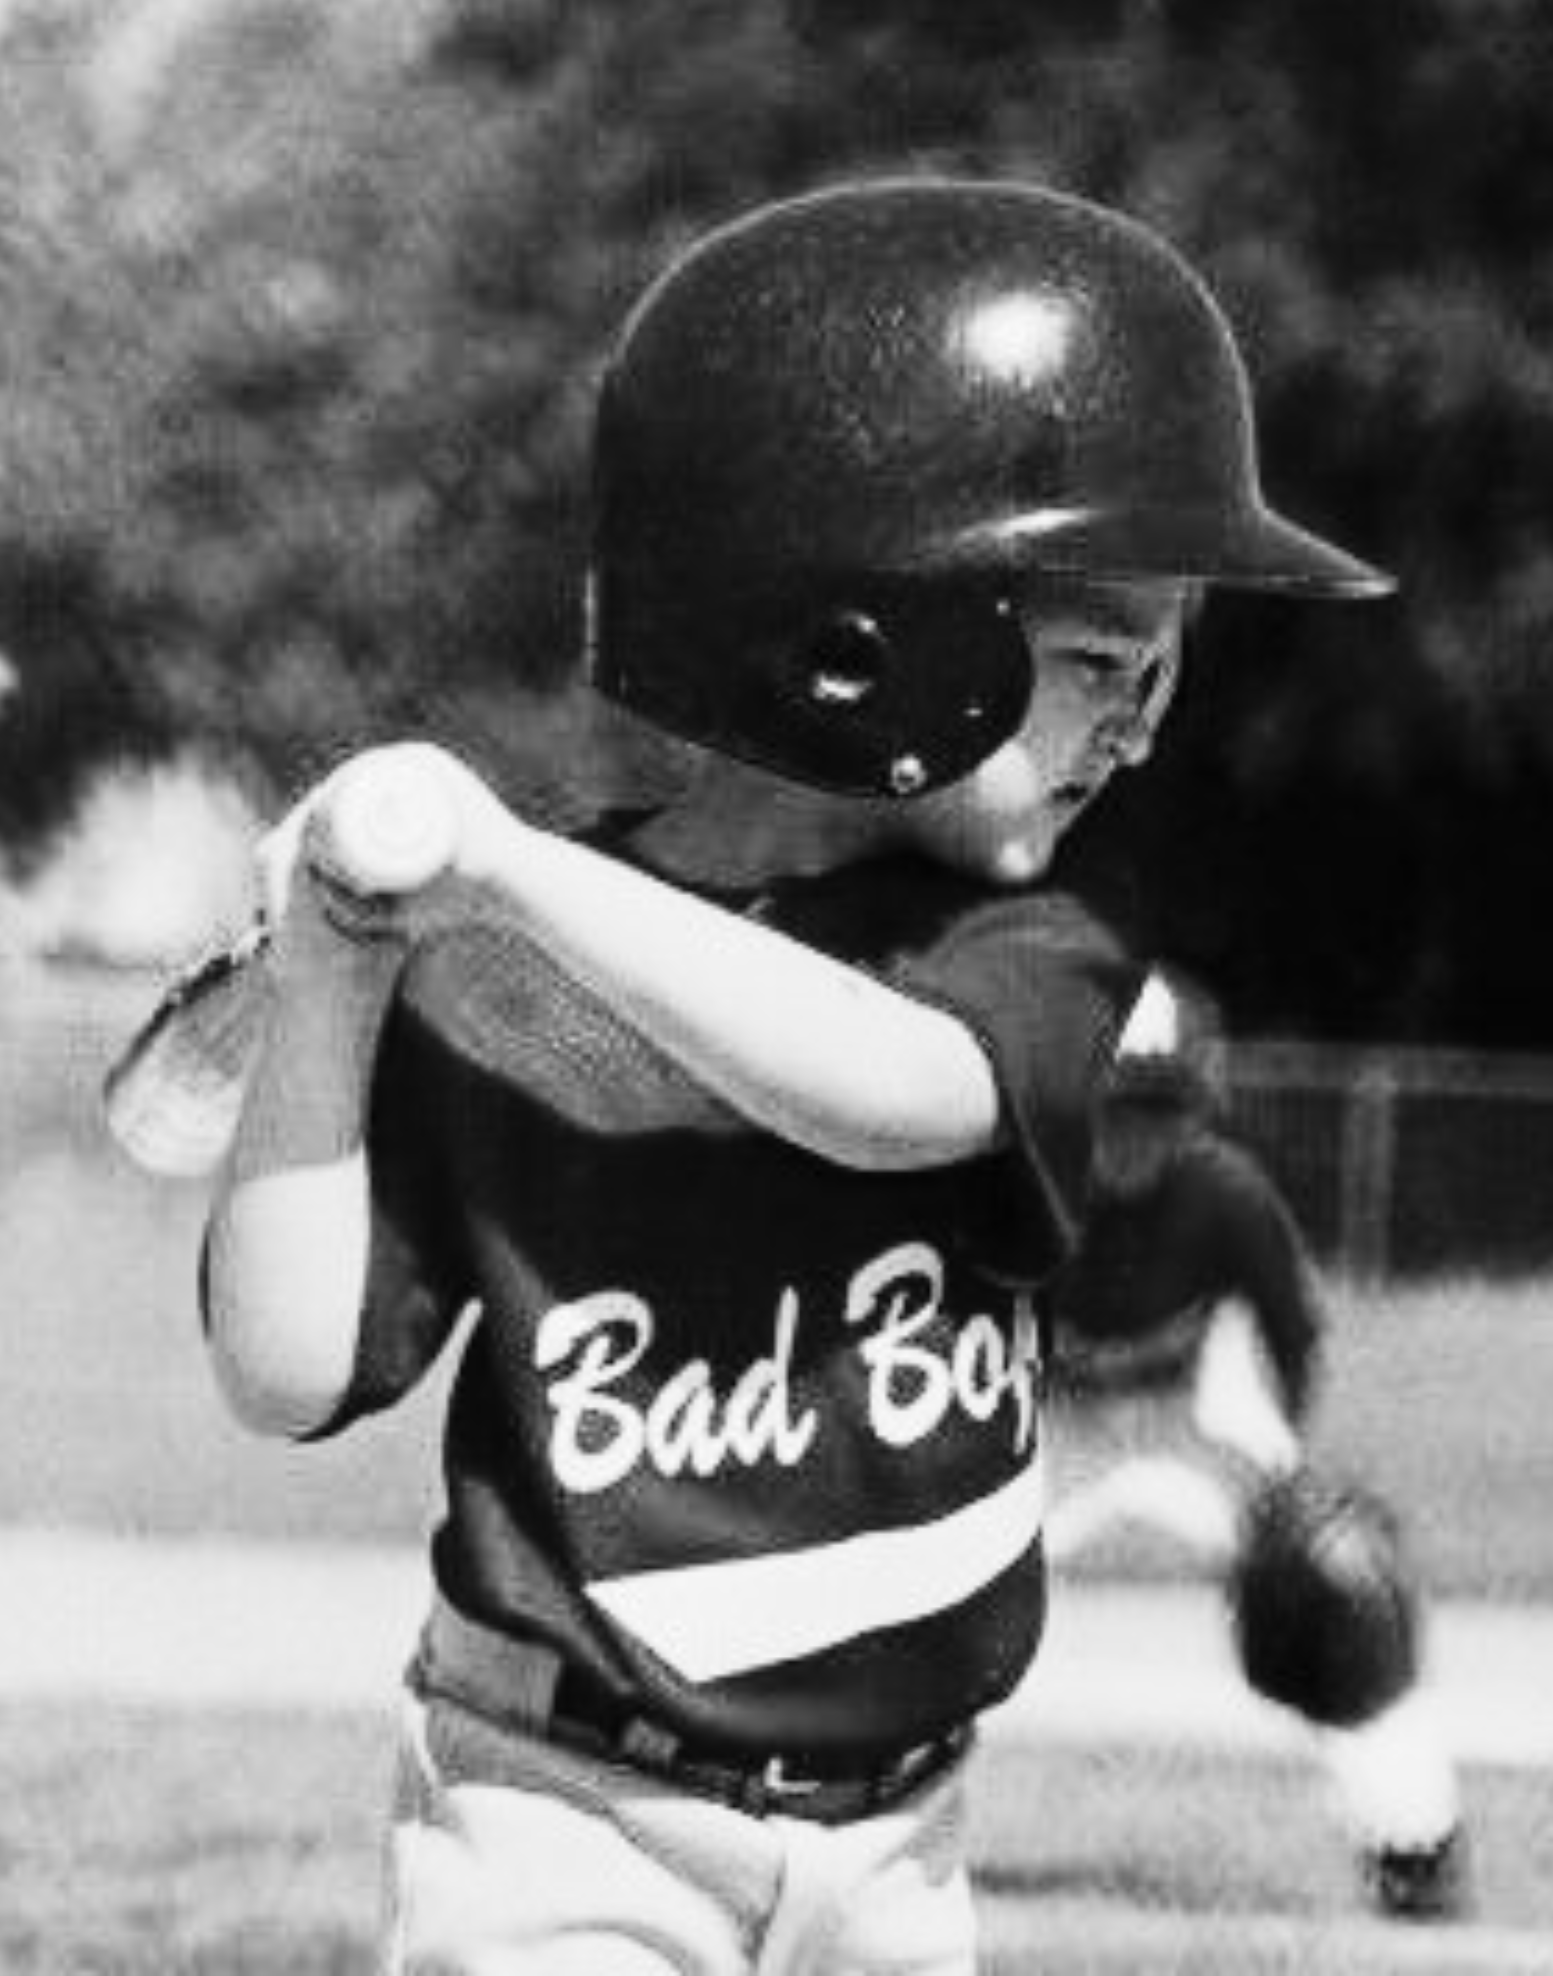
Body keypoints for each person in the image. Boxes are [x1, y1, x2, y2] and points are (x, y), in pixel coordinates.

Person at [198, 176, 1395, 1975]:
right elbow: (285, 1376)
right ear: (859, 643)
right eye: (1093, 663)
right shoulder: (493, 978)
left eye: (1159, 675)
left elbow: (887, 1094)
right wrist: (331, 972)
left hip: (902, 1857)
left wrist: (508, 870)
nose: (1140, 728)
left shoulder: (1034, 957)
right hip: (552, 1816)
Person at [1044, 970, 1470, 1923]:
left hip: (1192, 1430)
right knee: (901, 1592)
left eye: (1160, 1109)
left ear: (1197, 1110)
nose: (1135, 1134)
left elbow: (1292, 1340)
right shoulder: (1027, 1188)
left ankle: (1414, 1840)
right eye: (1114, 1108)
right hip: (1047, 1439)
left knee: (1341, 1579)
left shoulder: (1226, 1195)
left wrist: (1286, 1493)